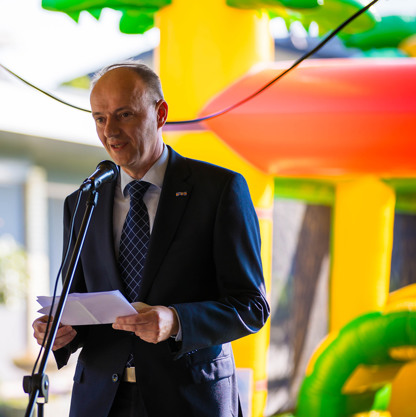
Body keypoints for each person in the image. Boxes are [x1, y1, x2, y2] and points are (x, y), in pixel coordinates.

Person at [32, 62, 269, 417]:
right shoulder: (82, 201)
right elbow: (80, 300)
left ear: (160, 114)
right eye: (99, 118)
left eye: (124, 114)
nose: (110, 131)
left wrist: (176, 321)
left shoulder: (219, 190)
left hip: (189, 400)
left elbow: (251, 306)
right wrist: (61, 331)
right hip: (100, 401)